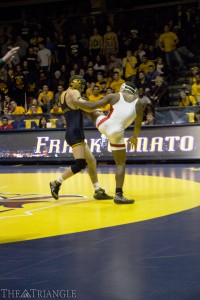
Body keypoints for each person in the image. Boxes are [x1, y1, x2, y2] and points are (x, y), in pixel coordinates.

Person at [72, 81, 148, 204]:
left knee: (95, 112)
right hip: (117, 133)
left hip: (104, 125)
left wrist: (77, 103)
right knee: (120, 164)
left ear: (123, 88)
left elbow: (92, 106)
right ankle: (118, 194)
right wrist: (134, 136)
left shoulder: (114, 96)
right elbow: (138, 123)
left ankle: (77, 107)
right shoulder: (139, 103)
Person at [49, 76, 112, 201]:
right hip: (75, 134)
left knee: (92, 161)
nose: (82, 89)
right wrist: (99, 110)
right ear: (76, 83)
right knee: (80, 164)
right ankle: (56, 182)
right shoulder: (74, 92)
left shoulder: (63, 94)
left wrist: (93, 110)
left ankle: (97, 189)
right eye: (82, 86)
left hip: (74, 132)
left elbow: (81, 108)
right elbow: (87, 107)